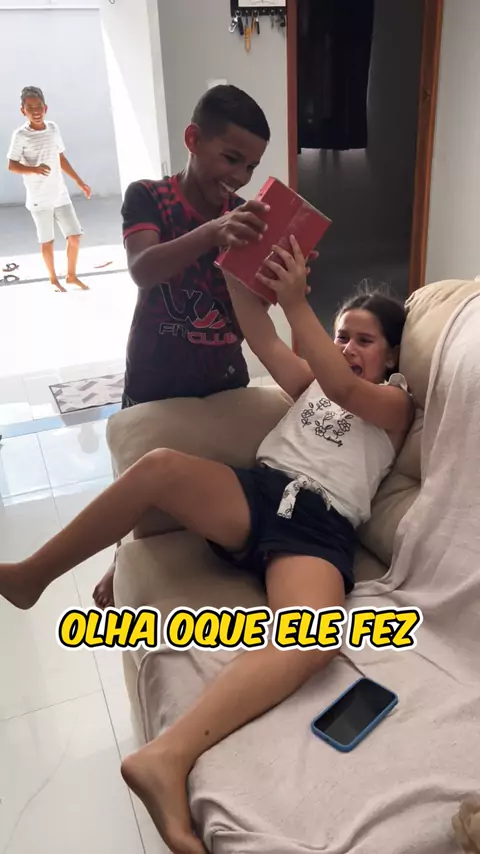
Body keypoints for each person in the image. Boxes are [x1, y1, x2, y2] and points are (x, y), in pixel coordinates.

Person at [0, 236, 413, 854]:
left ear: (392, 355)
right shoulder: (312, 385)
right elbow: (259, 336)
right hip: (258, 493)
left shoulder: (394, 404)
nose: (348, 349)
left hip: (318, 525)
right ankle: (31, 575)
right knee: (159, 465)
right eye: (342, 336)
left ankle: (165, 757)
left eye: (364, 340)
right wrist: (243, 274)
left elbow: (348, 392)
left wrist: (298, 305)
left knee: (312, 638)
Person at [92, 84, 272, 608]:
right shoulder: (149, 197)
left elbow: (256, 304)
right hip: (155, 373)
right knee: (139, 482)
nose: (239, 177)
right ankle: (125, 556)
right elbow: (143, 269)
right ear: (193, 139)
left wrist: (287, 277)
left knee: (208, 479)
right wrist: (213, 233)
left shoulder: (245, 218)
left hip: (224, 375)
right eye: (231, 158)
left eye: (251, 167)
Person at [7, 86, 91, 293]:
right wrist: (33, 169)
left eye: (38, 106)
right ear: (23, 111)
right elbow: (12, 165)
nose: (35, 111)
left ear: (45, 108)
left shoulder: (53, 129)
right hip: (39, 198)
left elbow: (60, 158)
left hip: (60, 194)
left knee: (74, 236)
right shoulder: (20, 135)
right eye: (30, 108)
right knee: (47, 241)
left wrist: (79, 182)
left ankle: (71, 275)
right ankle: (53, 279)